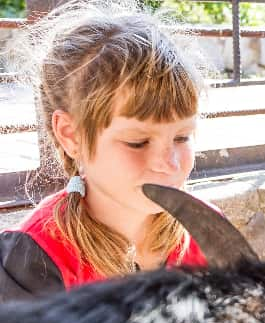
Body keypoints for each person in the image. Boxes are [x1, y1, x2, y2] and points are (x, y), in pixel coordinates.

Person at [0, 0, 209, 301]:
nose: (170, 163)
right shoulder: (33, 263)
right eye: (138, 142)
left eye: (182, 137)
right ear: (71, 135)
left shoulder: (205, 232)